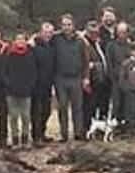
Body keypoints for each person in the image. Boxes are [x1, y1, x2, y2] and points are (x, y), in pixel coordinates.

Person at [52, 13, 90, 142]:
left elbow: (86, 60)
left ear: (73, 26)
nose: (66, 27)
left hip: (76, 78)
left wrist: (86, 77)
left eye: (69, 25)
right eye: (64, 25)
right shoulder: (56, 39)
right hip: (60, 78)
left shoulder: (80, 41)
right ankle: (64, 134)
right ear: (60, 26)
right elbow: (41, 36)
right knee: (62, 107)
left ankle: (78, 133)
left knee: (77, 107)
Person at [3, 29, 36, 149]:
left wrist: (30, 86)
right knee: (13, 116)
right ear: (14, 41)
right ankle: (15, 140)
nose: (20, 41)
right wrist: (8, 84)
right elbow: (4, 72)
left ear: (26, 41)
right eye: (18, 39)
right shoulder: (9, 54)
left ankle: (25, 139)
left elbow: (33, 72)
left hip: (26, 91)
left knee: (26, 117)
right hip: (11, 91)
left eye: (22, 39)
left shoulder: (30, 54)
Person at [31, 21, 56, 145]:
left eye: (50, 32)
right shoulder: (33, 46)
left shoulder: (52, 46)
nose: (48, 35)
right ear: (40, 32)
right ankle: (36, 137)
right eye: (46, 32)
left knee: (47, 111)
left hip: (48, 84)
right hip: (36, 85)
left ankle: (42, 133)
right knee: (37, 112)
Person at [84, 20, 111, 131]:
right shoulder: (84, 43)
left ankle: (101, 128)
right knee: (90, 106)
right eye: (91, 32)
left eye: (96, 32)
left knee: (102, 105)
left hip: (101, 80)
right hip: (91, 79)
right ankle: (87, 128)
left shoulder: (98, 43)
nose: (94, 35)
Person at [106, 22, 133, 127]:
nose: (122, 34)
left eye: (124, 32)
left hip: (129, 79)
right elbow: (109, 63)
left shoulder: (131, 46)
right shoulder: (111, 46)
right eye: (120, 32)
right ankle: (115, 124)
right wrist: (112, 76)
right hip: (116, 79)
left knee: (128, 103)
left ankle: (127, 124)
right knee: (116, 103)